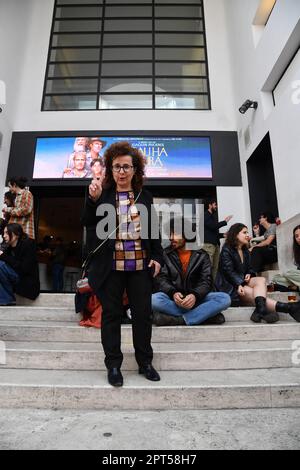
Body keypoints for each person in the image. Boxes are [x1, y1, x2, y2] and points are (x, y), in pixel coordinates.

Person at [81, 141, 164, 387]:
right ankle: (114, 366)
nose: (122, 172)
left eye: (127, 167)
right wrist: (92, 200)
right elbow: (87, 222)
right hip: (111, 267)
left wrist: (157, 257)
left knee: (142, 316)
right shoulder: (102, 195)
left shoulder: (144, 196)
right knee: (111, 316)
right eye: (117, 167)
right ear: (110, 169)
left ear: (135, 170)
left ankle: (145, 362)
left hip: (139, 266)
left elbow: (153, 231)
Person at [151, 218, 231, 326]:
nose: (171, 237)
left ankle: (181, 319)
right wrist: (173, 293)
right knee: (153, 299)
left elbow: (206, 281)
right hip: (174, 299)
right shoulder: (165, 254)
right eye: (169, 234)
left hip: (197, 299)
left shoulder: (202, 256)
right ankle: (203, 316)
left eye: (174, 233)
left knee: (224, 299)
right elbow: (161, 279)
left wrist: (194, 295)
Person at [216, 223, 300, 323]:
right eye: (244, 232)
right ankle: (287, 308)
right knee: (250, 292)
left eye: (247, 232)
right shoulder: (226, 249)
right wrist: (239, 284)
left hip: (241, 281)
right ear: (235, 234)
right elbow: (228, 271)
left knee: (262, 279)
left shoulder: (245, 250)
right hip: (229, 286)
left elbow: (250, 268)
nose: (247, 234)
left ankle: (260, 310)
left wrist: (249, 274)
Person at [0, 223, 40, 305]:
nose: (4, 236)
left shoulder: (28, 245)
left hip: (26, 281)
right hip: (15, 278)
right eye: (3, 233)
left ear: (17, 235)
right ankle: (6, 298)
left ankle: (8, 299)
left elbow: (25, 268)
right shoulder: (7, 247)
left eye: (7, 233)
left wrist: (3, 256)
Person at [203, 197, 233, 280]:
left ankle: (211, 286)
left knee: (215, 267)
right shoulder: (205, 215)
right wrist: (225, 221)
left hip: (214, 245)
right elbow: (213, 226)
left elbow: (213, 232)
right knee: (208, 266)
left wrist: (223, 235)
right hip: (208, 245)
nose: (216, 206)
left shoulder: (211, 217)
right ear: (210, 205)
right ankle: (205, 285)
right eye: (215, 204)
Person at [272, 225, 300, 291]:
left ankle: (296, 287)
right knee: (276, 278)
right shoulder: (298, 251)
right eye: (296, 236)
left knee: (287, 272)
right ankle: (297, 287)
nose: (299, 238)